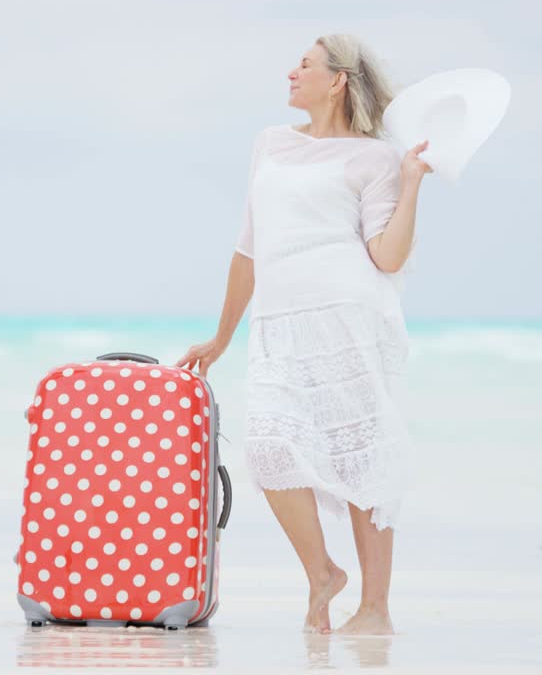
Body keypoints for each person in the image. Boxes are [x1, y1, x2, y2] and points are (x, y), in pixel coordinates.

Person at [178, 34, 431, 636]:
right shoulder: (271, 144)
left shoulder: (374, 159)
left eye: (306, 64)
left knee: (362, 455)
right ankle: (323, 572)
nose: (291, 72)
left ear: (338, 80)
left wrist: (413, 183)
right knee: (267, 450)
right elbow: (248, 249)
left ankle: (375, 610)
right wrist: (221, 337)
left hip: (347, 318)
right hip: (277, 324)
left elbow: (387, 256)